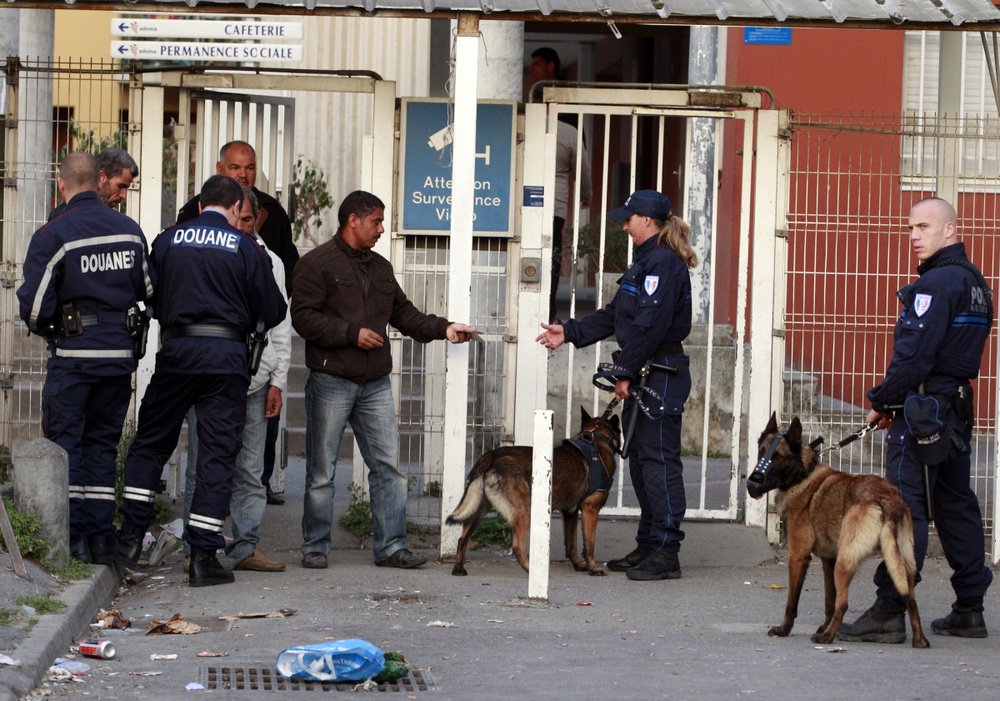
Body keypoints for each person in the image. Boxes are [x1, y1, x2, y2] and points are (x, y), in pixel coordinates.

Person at [114, 175, 287, 588]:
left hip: (177, 355)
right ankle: (205, 558)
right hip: (226, 362)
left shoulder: (168, 240)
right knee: (215, 456)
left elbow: (148, 294)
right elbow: (273, 310)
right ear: (232, 207)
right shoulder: (247, 247)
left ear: (201, 204)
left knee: (151, 444)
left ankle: (129, 539)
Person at [291, 190, 477, 570]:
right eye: (375, 221)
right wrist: (350, 333)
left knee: (388, 468)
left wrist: (445, 329)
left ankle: (391, 547)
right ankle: (316, 546)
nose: (381, 228)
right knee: (322, 469)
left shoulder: (379, 267)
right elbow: (303, 318)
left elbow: (404, 314)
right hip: (331, 378)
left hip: (374, 381)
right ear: (352, 221)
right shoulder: (316, 264)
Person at [838, 197, 993, 643]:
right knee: (955, 504)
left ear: (950, 231)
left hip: (923, 415)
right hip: (955, 410)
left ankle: (889, 610)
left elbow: (914, 358)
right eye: (911, 227)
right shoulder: (976, 282)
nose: (913, 236)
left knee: (903, 511)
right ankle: (969, 608)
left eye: (924, 226)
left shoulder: (935, 284)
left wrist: (883, 401)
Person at [536, 189, 697, 581]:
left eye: (629, 219)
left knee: (659, 464)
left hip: (661, 372)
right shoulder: (645, 264)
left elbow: (649, 326)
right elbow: (614, 317)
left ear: (647, 221)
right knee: (643, 465)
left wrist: (625, 370)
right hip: (647, 370)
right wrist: (569, 331)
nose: (624, 225)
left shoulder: (662, 265)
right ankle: (649, 544)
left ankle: (666, 552)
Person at [17, 152, 153, 565]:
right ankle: (101, 539)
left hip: (73, 358)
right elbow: (148, 289)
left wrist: (54, 328)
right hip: (117, 360)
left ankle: (73, 538)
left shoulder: (53, 234)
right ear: (99, 181)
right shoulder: (129, 232)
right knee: (101, 447)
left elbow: (36, 308)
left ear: (62, 184)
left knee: (66, 446)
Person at [180, 187, 291, 574]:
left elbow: (280, 326)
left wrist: (277, 380)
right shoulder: (205, 252)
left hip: (255, 382)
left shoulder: (270, 260)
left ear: (257, 220)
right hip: (208, 380)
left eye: (247, 221)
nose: (240, 226)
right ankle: (196, 549)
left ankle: (245, 545)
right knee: (200, 467)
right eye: (235, 218)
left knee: (249, 471)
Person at [177, 140, 299, 295]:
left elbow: (289, 265)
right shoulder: (194, 209)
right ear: (220, 169)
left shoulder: (273, 211)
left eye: (250, 168)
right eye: (235, 167)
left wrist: (270, 294)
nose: (243, 174)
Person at [550, 120, 592, 323]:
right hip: (554, 205)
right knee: (552, 256)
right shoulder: (568, 132)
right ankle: (549, 311)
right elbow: (582, 168)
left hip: (522, 201)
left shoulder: (525, 125)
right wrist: (586, 194)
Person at [47, 146, 139, 220]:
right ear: (101, 177)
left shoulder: (60, 217)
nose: (124, 195)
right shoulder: (60, 217)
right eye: (121, 186)